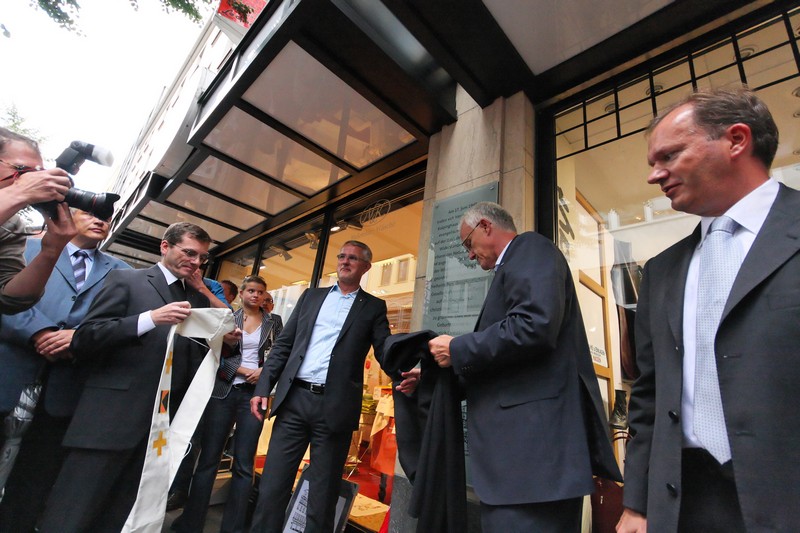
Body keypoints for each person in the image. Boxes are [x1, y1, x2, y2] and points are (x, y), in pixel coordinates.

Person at [617, 87, 800, 532]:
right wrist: (636, 504)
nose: (654, 176)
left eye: (669, 155)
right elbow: (649, 396)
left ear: (736, 140)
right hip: (681, 505)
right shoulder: (660, 271)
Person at [427, 202, 620, 533]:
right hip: (523, 471)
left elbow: (533, 325)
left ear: (486, 226)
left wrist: (457, 347)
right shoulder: (514, 264)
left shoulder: (530, 248)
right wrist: (432, 373)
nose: (469, 255)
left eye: (468, 243)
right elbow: (509, 359)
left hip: (532, 469)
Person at [38, 222, 236, 533]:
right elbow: (86, 337)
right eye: (189, 253)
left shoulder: (197, 299)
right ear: (165, 246)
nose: (196, 262)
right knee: (72, 513)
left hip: (158, 432)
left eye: (202, 257)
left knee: (120, 516)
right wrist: (149, 319)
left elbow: (215, 341)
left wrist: (218, 327)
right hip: (110, 420)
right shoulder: (127, 280)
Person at [248, 241, 403, 533]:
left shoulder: (373, 306)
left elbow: (385, 350)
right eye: (342, 256)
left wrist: (405, 372)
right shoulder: (311, 296)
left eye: (353, 258)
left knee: (323, 495)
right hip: (294, 402)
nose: (345, 261)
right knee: (271, 487)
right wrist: (262, 388)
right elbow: (283, 346)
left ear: (366, 267)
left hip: (334, 408)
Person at [0, 208, 130, 532]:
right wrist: (40, 332)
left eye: (107, 216)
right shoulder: (23, 246)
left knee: (34, 479)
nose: (100, 220)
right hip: (9, 373)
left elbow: (118, 325)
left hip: (65, 390)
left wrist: (78, 339)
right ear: (68, 214)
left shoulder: (123, 273)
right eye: (91, 212)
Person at [176, 276, 282, 533]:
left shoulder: (274, 321)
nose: (255, 295)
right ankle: (191, 524)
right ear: (241, 294)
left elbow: (280, 353)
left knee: (245, 464)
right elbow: (212, 354)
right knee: (208, 460)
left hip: (255, 396)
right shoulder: (227, 318)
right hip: (223, 392)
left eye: (260, 292)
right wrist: (243, 370)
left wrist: (265, 372)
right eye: (251, 290)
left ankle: (233, 528)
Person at [0, 127, 76, 314]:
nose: (34, 181)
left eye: (36, 174)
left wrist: (51, 251)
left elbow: (8, 301)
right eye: (22, 170)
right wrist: (18, 192)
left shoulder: (11, 224)